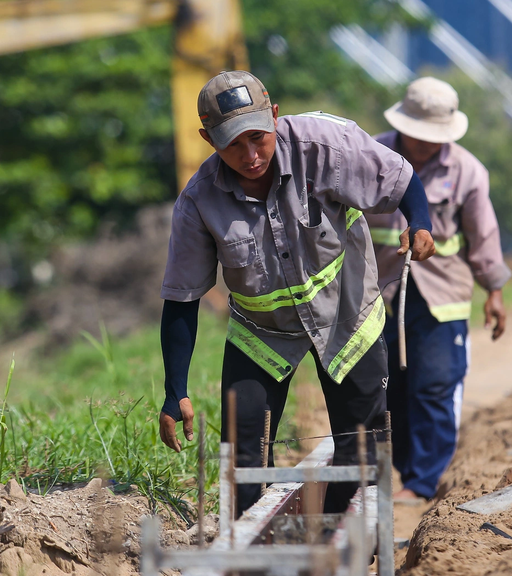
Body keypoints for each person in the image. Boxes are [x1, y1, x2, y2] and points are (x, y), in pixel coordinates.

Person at [158, 70, 435, 515]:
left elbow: (401, 180)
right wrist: (176, 391)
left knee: (361, 447)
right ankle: (254, 557)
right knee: (243, 455)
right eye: (233, 145)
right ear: (208, 140)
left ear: (274, 116)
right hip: (261, 334)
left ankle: (344, 541)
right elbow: (181, 299)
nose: (250, 156)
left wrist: (420, 222)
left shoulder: (323, 146)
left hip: (348, 318)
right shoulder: (198, 202)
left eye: (258, 138)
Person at [366, 76, 511, 503]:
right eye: (418, 135)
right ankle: (399, 471)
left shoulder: (466, 171)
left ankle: (424, 481)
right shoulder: (369, 156)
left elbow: (483, 236)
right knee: (388, 389)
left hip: (440, 297)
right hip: (377, 295)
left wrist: (495, 292)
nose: (426, 145)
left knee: (434, 385)